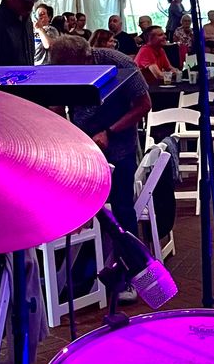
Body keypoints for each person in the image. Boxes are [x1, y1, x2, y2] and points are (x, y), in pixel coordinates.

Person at [47, 34, 151, 235]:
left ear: (86, 59)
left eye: (73, 70)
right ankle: (93, 251)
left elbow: (144, 105)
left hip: (120, 143)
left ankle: (129, 251)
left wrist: (109, 132)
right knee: (82, 206)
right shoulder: (64, 68)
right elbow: (57, 107)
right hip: (85, 146)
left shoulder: (119, 63)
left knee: (122, 206)